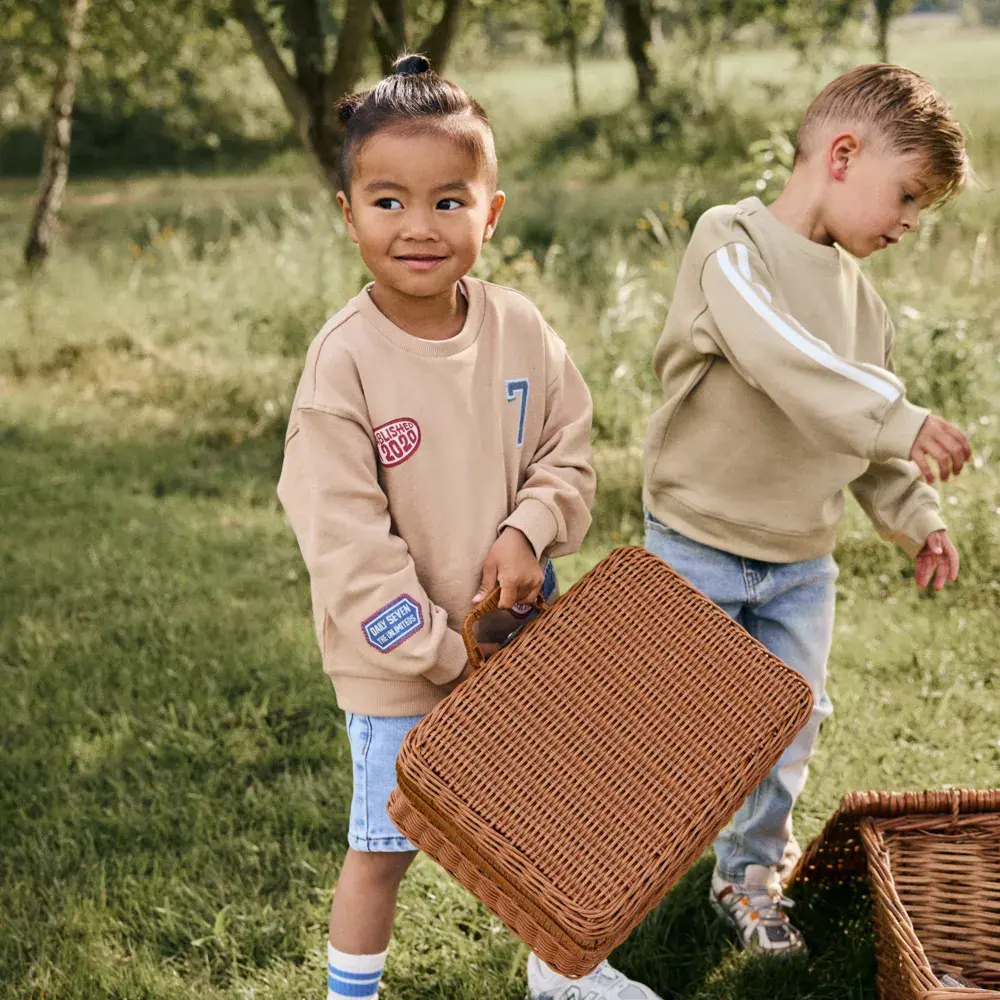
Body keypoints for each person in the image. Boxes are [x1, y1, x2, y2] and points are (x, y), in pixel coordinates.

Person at [277, 53, 660, 1000]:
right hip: (400, 665)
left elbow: (571, 450)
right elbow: (347, 546)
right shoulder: (343, 366)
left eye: (449, 202)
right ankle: (350, 993)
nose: (418, 226)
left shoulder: (521, 328)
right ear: (348, 212)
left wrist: (529, 531)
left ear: (491, 214)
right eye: (388, 201)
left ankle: (566, 971)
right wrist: (445, 658)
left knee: (555, 814)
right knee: (384, 844)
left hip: (522, 646)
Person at [642, 63, 972, 956]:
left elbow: (858, 429)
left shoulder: (864, 309)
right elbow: (782, 360)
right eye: (906, 197)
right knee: (679, 725)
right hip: (698, 542)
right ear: (841, 153)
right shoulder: (730, 245)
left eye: (922, 212)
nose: (909, 224)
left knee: (790, 719)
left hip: (799, 559)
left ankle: (749, 875)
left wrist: (917, 512)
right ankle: (612, 867)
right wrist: (902, 420)